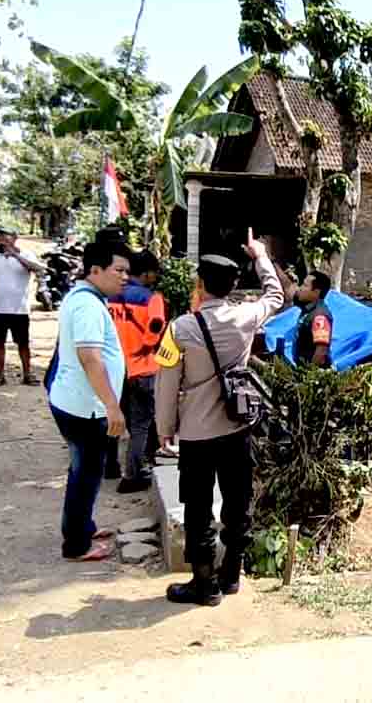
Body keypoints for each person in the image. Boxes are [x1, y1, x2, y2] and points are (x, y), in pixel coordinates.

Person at [156, 229, 282, 606]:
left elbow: (166, 384)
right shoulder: (246, 317)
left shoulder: (179, 328)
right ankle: (232, 576)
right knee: (237, 503)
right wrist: (260, 255)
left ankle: (204, 584)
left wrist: (165, 429)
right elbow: (275, 295)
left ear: (200, 284)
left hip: (196, 435)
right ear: (231, 287)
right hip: (238, 428)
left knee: (197, 508)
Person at [48, 241, 131, 561]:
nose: (125, 277)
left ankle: (82, 525)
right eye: (119, 271)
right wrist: (112, 405)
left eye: (127, 272)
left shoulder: (87, 298)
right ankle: (77, 544)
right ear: (95, 270)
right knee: (86, 473)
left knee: (84, 470)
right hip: (85, 407)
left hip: (77, 400)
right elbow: (90, 358)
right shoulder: (87, 306)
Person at [105, 250, 166, 492]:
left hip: (115, 369)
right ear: (147, 273)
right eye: (155, 272)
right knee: (140, 424)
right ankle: (132, 475)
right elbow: (155, 331)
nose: (156, 277)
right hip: (142, 369)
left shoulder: (110, 296)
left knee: (116, 420)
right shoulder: (152, 299)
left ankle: (110, 466)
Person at [0, 225, 47, 386]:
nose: (0, 239)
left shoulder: (26, 254)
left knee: (23, 343)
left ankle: (27, 374)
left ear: (14, 237)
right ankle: (0, 375)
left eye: (4, 235)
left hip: (19, 309)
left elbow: (39, 268)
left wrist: (15, 255)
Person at [293, 271, 333, 367]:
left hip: (310, 374)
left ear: (316, 292)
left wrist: (310, 375)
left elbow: (321, 351)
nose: (300, 288)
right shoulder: (308, 309)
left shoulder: (320, 316)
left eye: (305, 285)